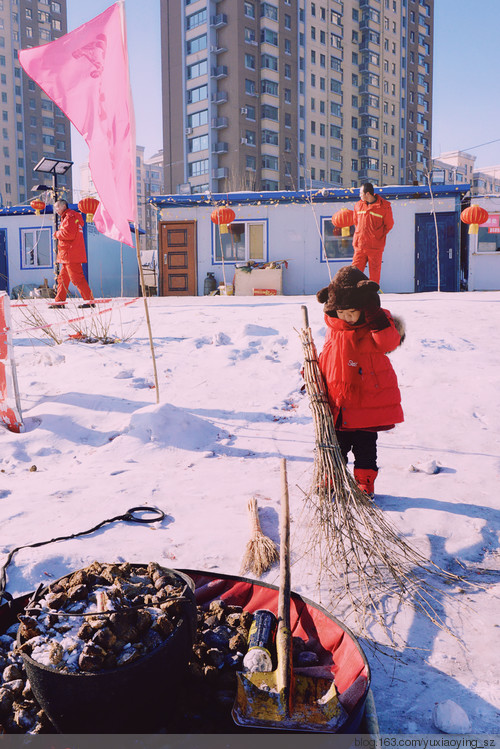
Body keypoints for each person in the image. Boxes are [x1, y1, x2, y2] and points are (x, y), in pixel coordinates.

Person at [316, 265, 404, 498]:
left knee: (365, 447)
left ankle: (364, 483)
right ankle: (331, 478)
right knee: (336, 444)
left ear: (365, 307)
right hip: (339, 399)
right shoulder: (334, 327)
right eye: (341, 313)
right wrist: (314, 370)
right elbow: (328, 353)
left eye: (351, 312)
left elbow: (388, 343)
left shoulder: (376, 322)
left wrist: (375, 319)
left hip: (367, 399)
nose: (346, 318)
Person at [49, 199, 95, 309]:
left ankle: (89, 301)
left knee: (77, 278)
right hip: (68, 254)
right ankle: (59, 302)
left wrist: (56, 234)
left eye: (58, 207)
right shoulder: (71, 217)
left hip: (70, 254)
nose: (56, 210)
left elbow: (68, 234)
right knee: (62, 279)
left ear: (64, 205)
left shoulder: (69, 217)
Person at [352, 182, 394, 285]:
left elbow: (389, 225)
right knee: (354, 273)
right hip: (360, 246)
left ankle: (372, 296)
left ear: (368, 194)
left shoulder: (384, 207)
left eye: (361, 193)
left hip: (375, 248)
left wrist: (377, 236)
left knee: (374, 275)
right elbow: (356, 222)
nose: (359, 195)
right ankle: (353, 295)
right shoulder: (358, 206)